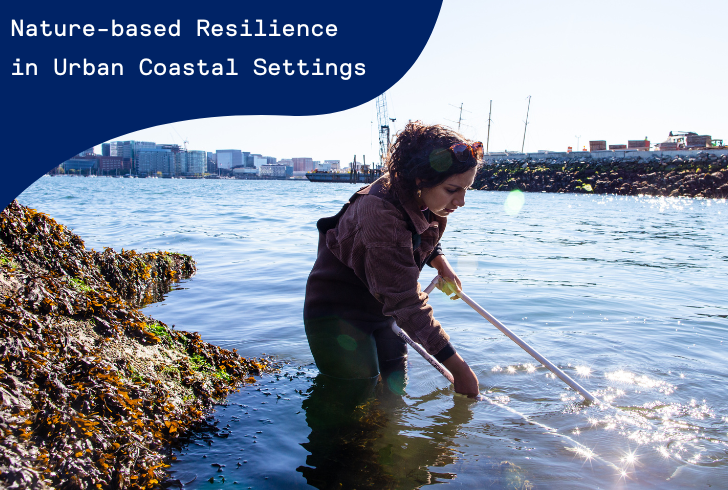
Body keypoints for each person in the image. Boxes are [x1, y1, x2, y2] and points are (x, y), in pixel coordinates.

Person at [303, 122, 481, 396]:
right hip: (337, 312)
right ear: (421, 179)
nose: (461, 201)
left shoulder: (430, 201)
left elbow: (418, 236)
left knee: (394, 390)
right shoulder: (379, 212)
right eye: (452, 189)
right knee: (355, 394)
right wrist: (458, 368)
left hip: (382, 312)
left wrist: (440, 261)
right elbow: (406, 300)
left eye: (466, 189)